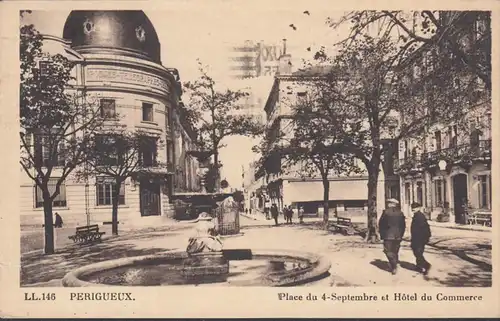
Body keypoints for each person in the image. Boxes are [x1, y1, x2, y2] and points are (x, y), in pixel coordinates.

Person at [378, 198, 406, 275]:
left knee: (388, 251)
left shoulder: (386, 212)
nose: (387, 204)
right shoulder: (400, 213)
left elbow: (381, 224)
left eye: (388, 203)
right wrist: (401, 234)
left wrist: (382, 235)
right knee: (395, 251)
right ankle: (394, 264)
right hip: (398, 236)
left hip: (388, 236)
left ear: (390, 204)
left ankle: (394, 266)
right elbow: (403, 225)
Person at [410, 202, 432, 275]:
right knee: (417, 252)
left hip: (419, 238)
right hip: (417, 238)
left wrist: (426, 238)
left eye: (415, 208)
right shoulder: (417, 215)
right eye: (412, 207)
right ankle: (419, 266)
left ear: (419, 208)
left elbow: (425, 228)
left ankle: (426, 265)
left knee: (418, 253)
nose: (413, 209)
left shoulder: (420, 216)